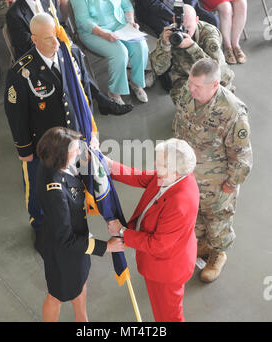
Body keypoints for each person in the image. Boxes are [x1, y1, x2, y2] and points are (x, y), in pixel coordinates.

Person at [4, 13, 104, 231]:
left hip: (71, 140)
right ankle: (39, 223)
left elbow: (84, 96)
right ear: (35, 40)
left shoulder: (72, 56)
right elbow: (15, 113)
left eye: (57, 35)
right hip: (43, 144)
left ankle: (72, 213)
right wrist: (24, 149)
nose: (56, 43)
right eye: (49, 38)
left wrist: (91, 132)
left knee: (72, 181)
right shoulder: (22, 72)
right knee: (40, 186)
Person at [173, 58, 252, 283]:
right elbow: (178, 128)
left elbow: (242, 154)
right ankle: (202, 244)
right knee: (193, 215)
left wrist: (231, 183)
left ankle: (218, 253)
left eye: (197, 86)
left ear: (215, 85)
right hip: (188, 173)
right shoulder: (187, 95)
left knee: (217, 219)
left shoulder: (232, 111)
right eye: (190, 83)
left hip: (217, 180)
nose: (191, 89)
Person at [35, 127, 124, 322]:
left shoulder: (51, 162)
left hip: (75, 242)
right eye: (74, 150)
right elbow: (65, 240)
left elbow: (79, 158)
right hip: (63, 252)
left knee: (80, 282)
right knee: (57, 296)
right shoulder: (55, 192)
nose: (78, 152)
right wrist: (105, 247)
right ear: (61, 156)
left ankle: (82, 320)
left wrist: (91, 147)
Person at [106, 138, 199, 322]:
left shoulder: (180, 204)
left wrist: (123, 232)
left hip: (167, 269)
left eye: (161, 163)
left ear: (175, 170)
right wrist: (108, 165)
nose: (155, 164)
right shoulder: (171, 176)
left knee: (168, 316)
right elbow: (140, 177)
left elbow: (157, 245)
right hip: (162, 260)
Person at [5, 0, 133, 116]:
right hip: (37, 56)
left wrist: (67, 43)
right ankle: (98, 101)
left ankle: (92, 103)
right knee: (69, 61)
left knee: (75, 55)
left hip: (57, 47)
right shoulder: (14, 13)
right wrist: (57, 49)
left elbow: (61, 26)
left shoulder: (49, 1)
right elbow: (26, 44)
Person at [70, 0, 149, 104]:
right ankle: (114, 92)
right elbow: (83, 20)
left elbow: (126, 5)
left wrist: (131, 22)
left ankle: (135, 83)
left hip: (119, 25)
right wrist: (104, 34)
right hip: (93, 31)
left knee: (141, 46)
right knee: (120, 53)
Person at [150, 4, 234, 102]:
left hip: (215, 77)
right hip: (186, 75)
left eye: (188, 27)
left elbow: (215, 69)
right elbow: (158, 69)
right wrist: (165, 46)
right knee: (184, 103)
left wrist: (192, 47)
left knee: (217, 105)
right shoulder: (170, 33)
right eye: (181, 28)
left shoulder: (209, 33)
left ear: (197, 20)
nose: (184, 32)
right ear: (174, 20)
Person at [133, 0, 220, 38]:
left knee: (212, 20)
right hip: (154, 11)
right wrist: (175, 16)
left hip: (185, 7)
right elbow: (152, 4)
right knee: (169, 31)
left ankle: (207, 56)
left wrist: (189, 11)